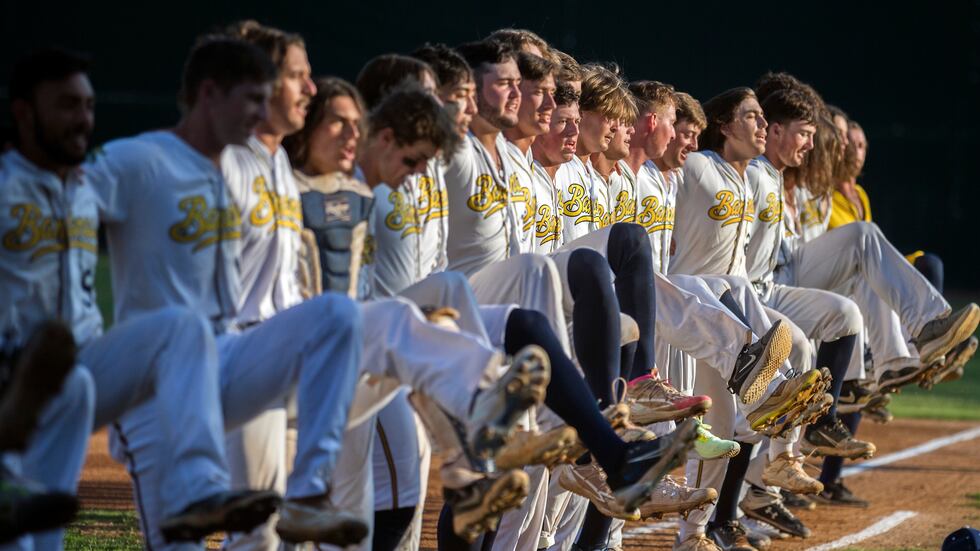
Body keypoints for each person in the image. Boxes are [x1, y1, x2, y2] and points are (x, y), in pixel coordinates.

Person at [2, 46, 285, 551]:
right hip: (12, 380)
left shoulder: (81, 187)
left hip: (71, 383)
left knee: (180, 327)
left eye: (88, 106)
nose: (83, 119)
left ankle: (200, 489)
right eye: (67, 105)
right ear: (24, 111)